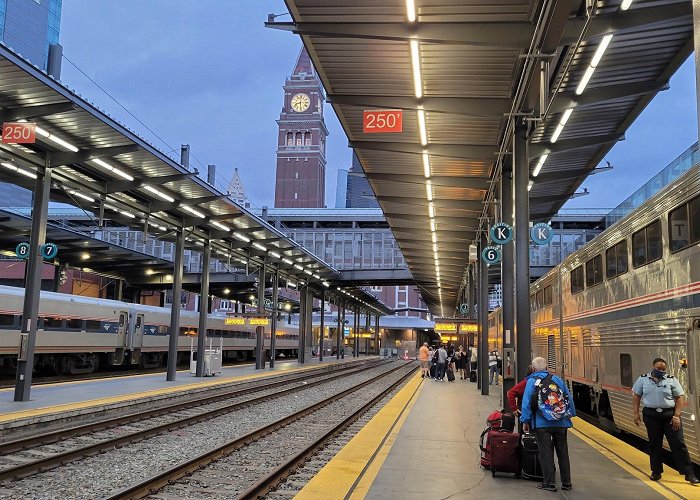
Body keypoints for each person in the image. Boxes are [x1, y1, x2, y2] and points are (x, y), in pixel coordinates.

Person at [632, 358, 699, 484]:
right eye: (658, 369)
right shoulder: (642, 379)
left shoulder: (671, 380)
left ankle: (689, 473)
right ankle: (656, 472)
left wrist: (677, 416)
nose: (661, 371)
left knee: (678, 444)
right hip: (651, 416)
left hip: (669, 416)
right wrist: (635, 414)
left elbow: (679, 398)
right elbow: (636, 396)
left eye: (663, 369)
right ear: (652, 367)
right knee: (654, 444)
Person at [521, 357, 576, 492]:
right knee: (563, 452)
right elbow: (568, 397)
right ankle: (566, 482)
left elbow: (526, 403)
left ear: (533, 369)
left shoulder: (532, 382)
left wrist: (525, 421)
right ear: (546, 367)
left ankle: (549, 483)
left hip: (542, 423)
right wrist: (570, 414)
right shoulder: (557, 379)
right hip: (561, 422)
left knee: (545, 453)